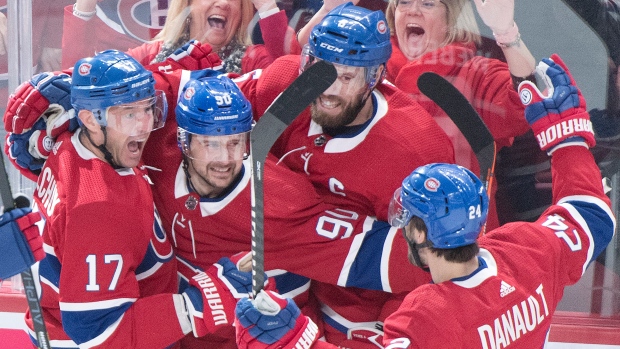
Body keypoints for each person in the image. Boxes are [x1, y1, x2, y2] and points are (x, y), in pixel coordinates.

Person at [233, 54, 616, 349]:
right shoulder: (529, 252)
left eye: (406, 219)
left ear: (418, 233)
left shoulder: (427, 318)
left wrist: (292, 338)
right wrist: (567, 140)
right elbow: (591, 215)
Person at [2, 50, 262, 348]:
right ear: (89, 119)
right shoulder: (97, 208)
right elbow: (99, 333)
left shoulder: (74, 139)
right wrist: (201, 303)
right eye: (129, 114)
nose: (143, 126)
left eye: (147, 109)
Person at [229, 3, 454, 347]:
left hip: (356, 306)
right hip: (283, 276)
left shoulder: (415, 150)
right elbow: (215, 119)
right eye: (321, 72)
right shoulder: (284, 83)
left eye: (347, 76)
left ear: (375, 78)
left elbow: (428, 268)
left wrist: (392, 332)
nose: (328, 89)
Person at [297, 0, 535, 230]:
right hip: (364, 232)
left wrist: (506, 34)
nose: (413, 11)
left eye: (427, 4)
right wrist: (328, 11)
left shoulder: (474, 73)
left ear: (452, 19)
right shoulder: (366, 66)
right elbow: (302, 72)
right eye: (404, 2)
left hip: (449, 240)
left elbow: (525, 101)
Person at [61, 0, 296, 73]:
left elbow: (289, 81)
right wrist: (85, 5)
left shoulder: (253, 60)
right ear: (188, 6)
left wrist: (267, 7)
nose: (224, 3)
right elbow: (82, 80)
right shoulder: (151, 56)